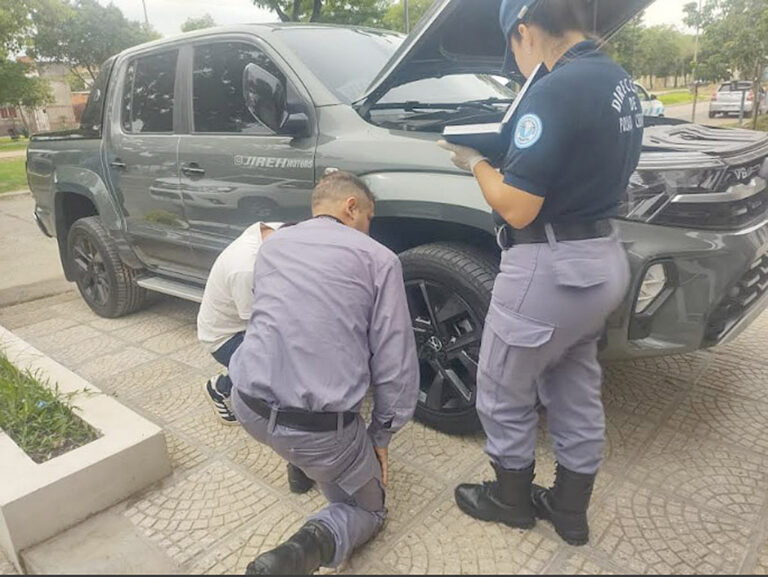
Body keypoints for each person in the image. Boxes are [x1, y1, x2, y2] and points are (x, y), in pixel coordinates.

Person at [438, 0, 642, 546]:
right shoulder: (617, 79)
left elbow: (518, 208)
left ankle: (510, 500)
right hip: (601, 262)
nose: (516, 59)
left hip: (550, 270)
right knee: (573, 383)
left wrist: (476, 163)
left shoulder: (553, 89)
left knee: (503, 385)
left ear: (525, 31)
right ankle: (570, 511)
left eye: (512, 45)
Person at [229, 171, 419, 575]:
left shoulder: (273, 243)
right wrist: (381, 436)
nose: (368, 231)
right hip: (316, 434)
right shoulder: (380, 260)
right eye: (368, 219)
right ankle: (302, 550)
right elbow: (395, 361)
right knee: (367, 508)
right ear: (351, 207)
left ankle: (300, 468)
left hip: (245, 403)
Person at [197, 220, 314, 495]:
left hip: (249, 320)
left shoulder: (279, 231)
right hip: (227, 336)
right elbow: (263, 333)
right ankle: (222, 387)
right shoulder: (246, 269)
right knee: (282, 372)